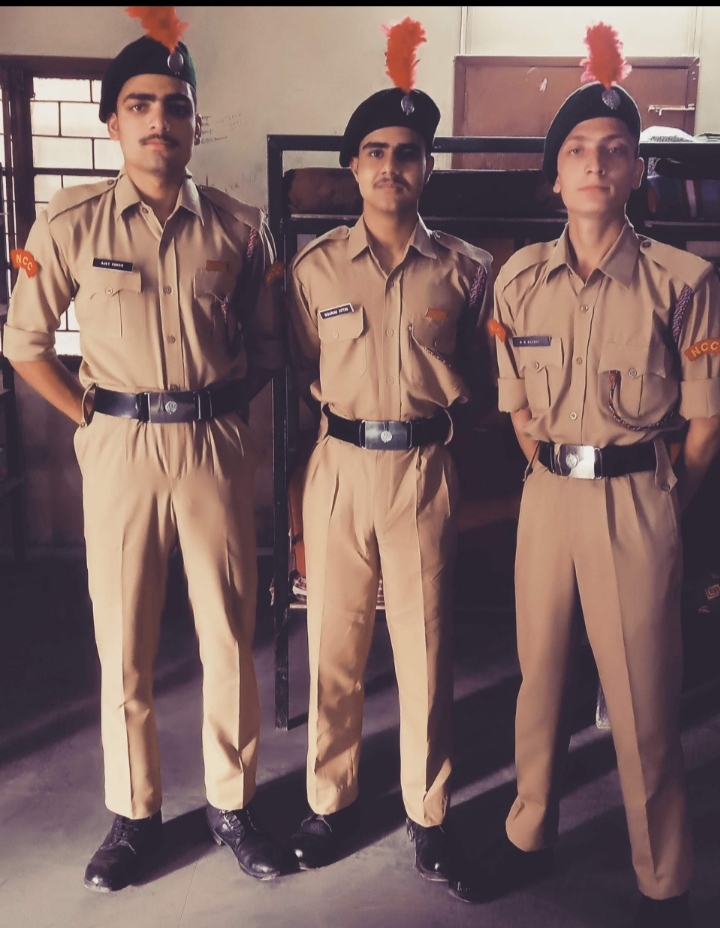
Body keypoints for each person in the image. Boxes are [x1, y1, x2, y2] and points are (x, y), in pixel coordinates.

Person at [3, 10, 285, 893]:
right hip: (119, 446)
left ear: (196, 124)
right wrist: (89, 419)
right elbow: (24, 344)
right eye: (139, 104)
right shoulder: (70, 222)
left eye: (175, 105)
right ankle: (135, 813)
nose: (159, 119)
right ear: (113, 122)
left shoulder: (240, 229)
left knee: (228, 633)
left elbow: (270, 347)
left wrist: (222, 416)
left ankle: (232, 804)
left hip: (211, 446)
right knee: (122, 637)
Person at [448, 24, 720, 927]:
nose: (595, 164)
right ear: (554, 178)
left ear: (637, 171)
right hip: (548, 497)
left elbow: (706, 421)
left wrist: (663, 499)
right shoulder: (519, 281)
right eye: (576, 151)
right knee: (540, 680)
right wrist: (547, 465)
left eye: (613, 150)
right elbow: (517, 406)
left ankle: (663, 878)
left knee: (643, 700)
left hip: (639, 497)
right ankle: (529, 831)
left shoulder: (684, 282)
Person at [286, 18, 494, 882]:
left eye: (407, 153)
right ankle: (328, 803)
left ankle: (428, 811)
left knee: (426, 647)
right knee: (333, 647)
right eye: (374, 152)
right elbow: (302, 366)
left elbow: (483, 375)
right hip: (337, 469)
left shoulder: (467, 270)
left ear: (427, 167)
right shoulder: (314, 269)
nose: (390, 166)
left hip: (422, 470)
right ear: (353, 167)